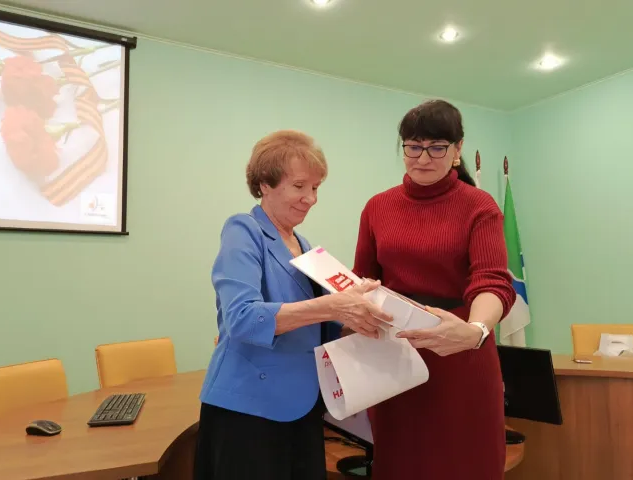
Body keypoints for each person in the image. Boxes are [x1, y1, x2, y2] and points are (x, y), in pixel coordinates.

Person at [195, 129, 392, 480]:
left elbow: (321, 327)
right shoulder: (243, 230)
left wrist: (363, 311)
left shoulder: (305, 245)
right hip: (249, 409)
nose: (310, 198)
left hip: (302, 406)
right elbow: (242, 318)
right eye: (299, 186)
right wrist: (335, 306)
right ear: (264, 184)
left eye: (315, 188)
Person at [353, 99, 517, 480]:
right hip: (396, 358)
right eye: (413, 146)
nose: (423, 158)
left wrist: (475, 331)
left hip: (462, 354)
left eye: (437, 148)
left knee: (465, 465)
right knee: (400, 463)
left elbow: (492, 281)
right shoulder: (377, 207)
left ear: (458, 149)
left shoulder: (479, 206)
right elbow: (362, 280)